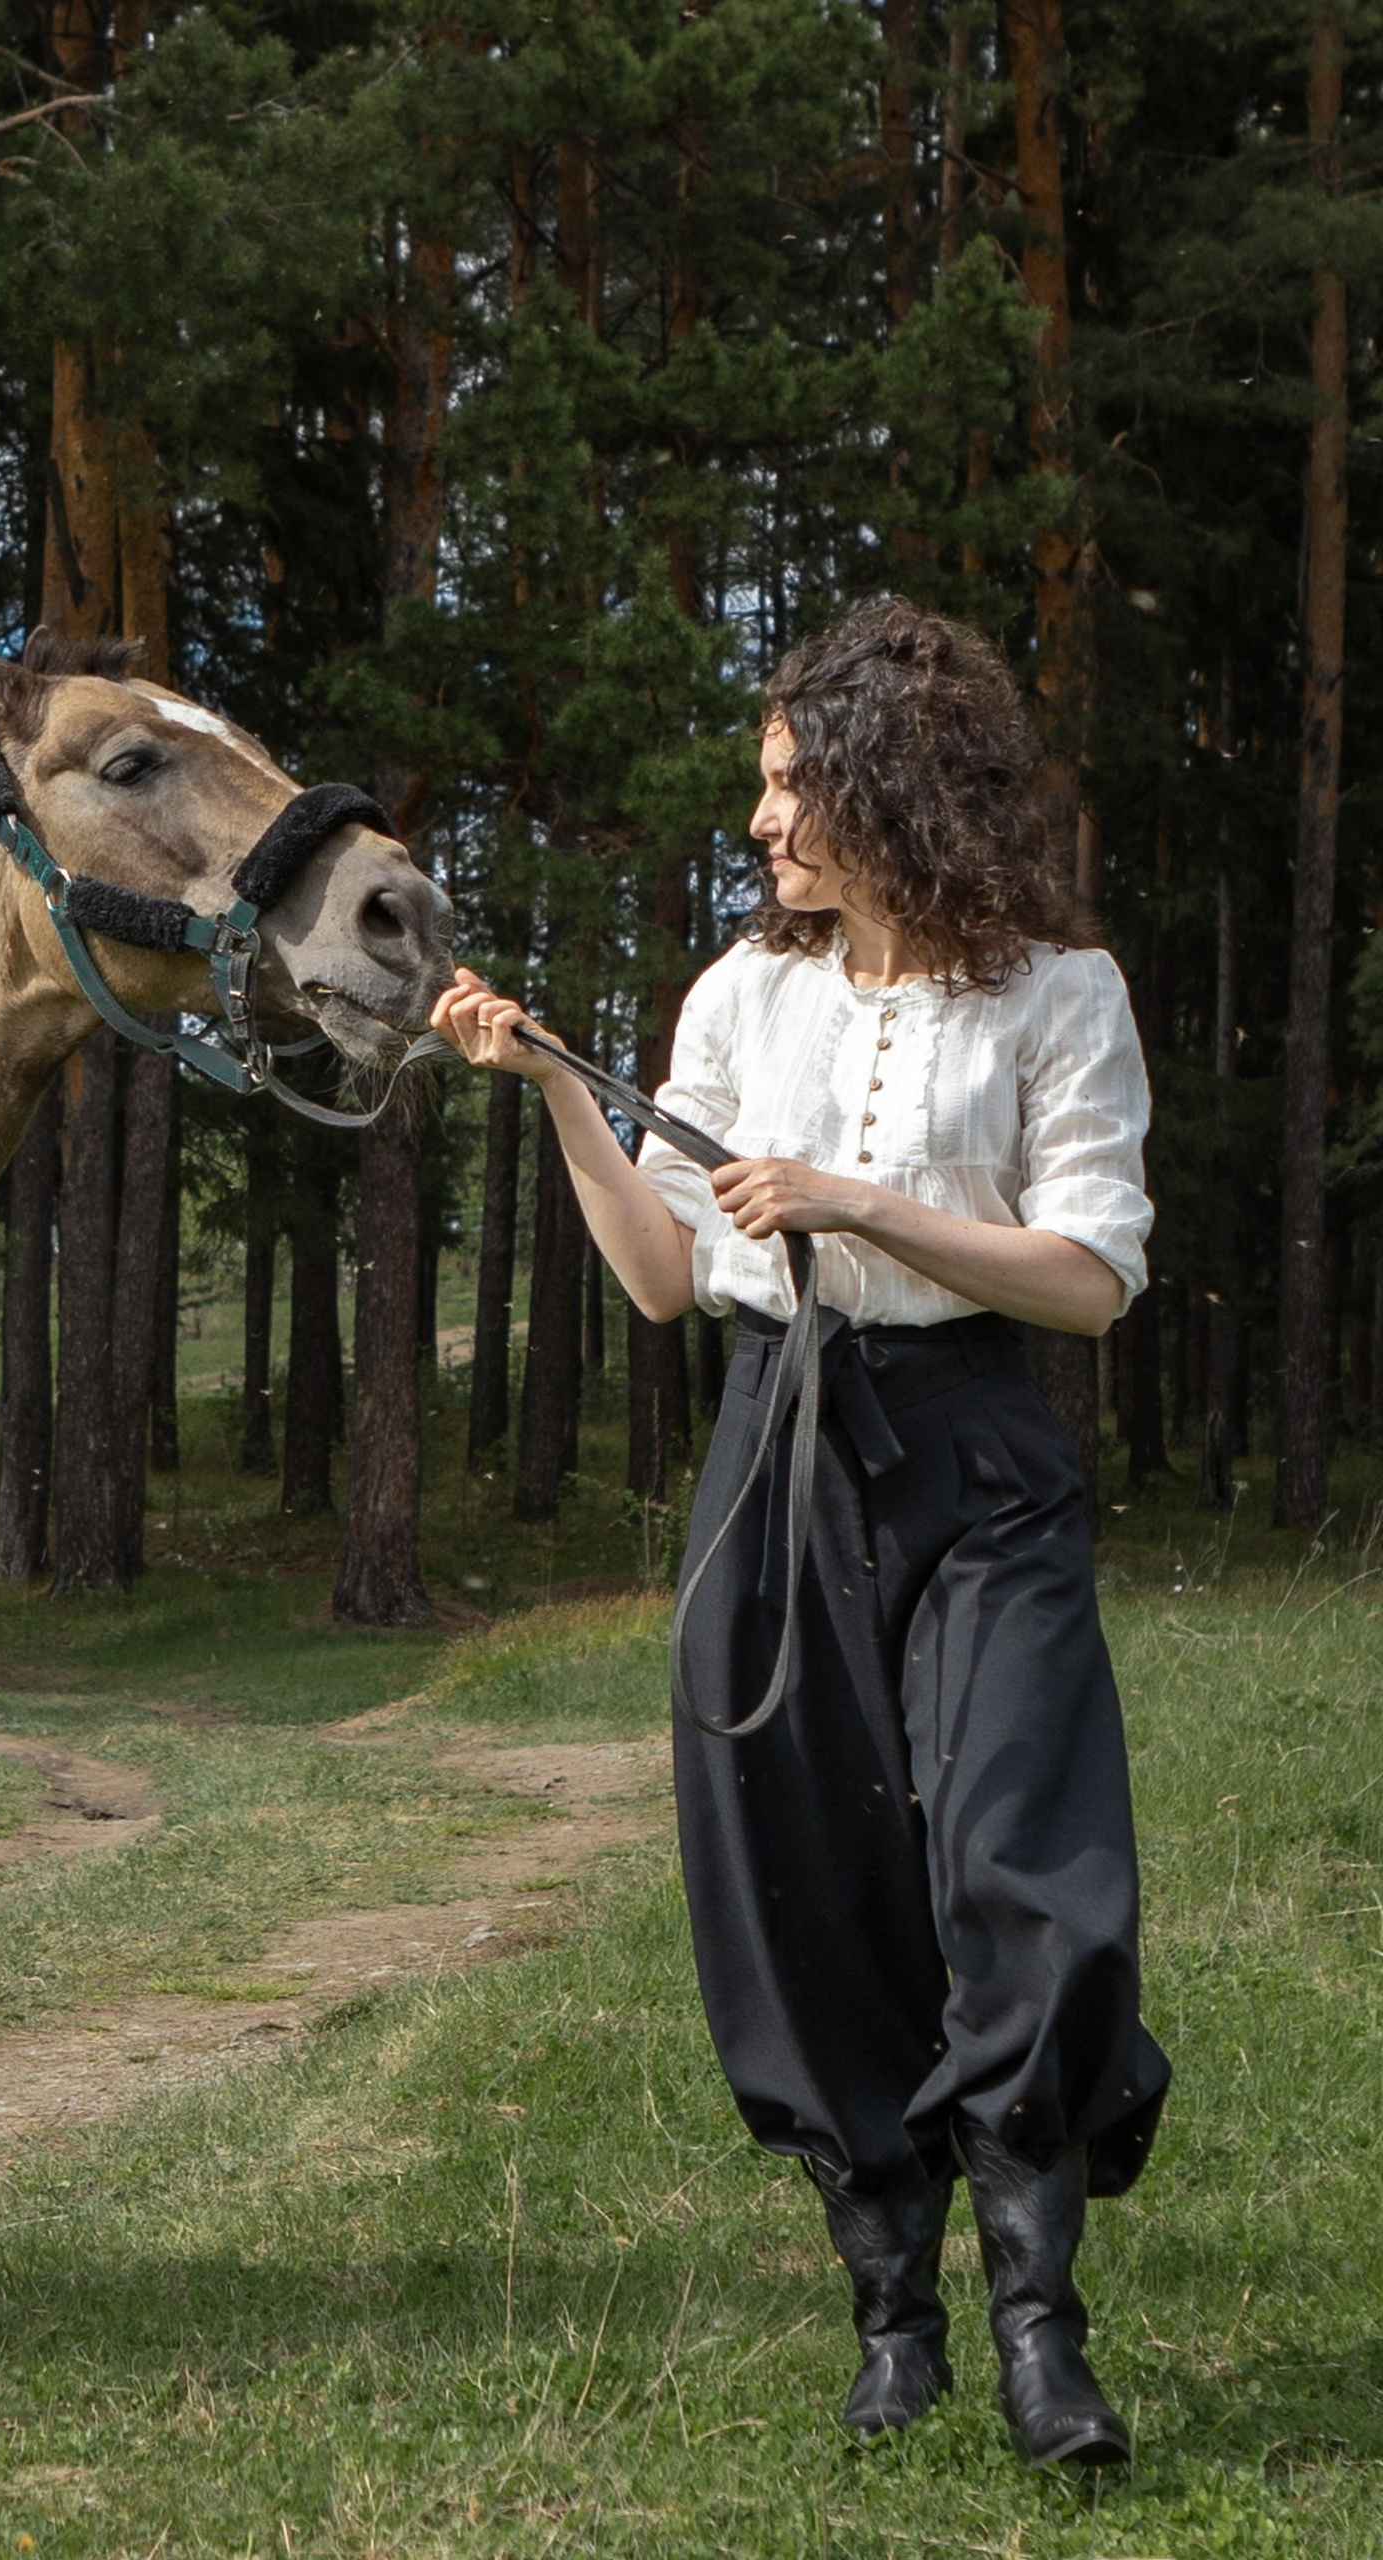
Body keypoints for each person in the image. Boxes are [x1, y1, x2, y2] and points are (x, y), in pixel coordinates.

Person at [431, 599, 1168, 2469]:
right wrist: (562, 1112)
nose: (760, 822)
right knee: (797, 1884)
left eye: (787, 784)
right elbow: (672, 1282)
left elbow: (1088, 1281)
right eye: (762, 789)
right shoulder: (742, 998)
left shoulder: (1059, 994)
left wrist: (863, 1203)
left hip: (978, 1448)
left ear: (889, 786)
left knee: (1025, 1861)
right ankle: (895, 2315)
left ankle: (1039, 2327)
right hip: (776, 1450)